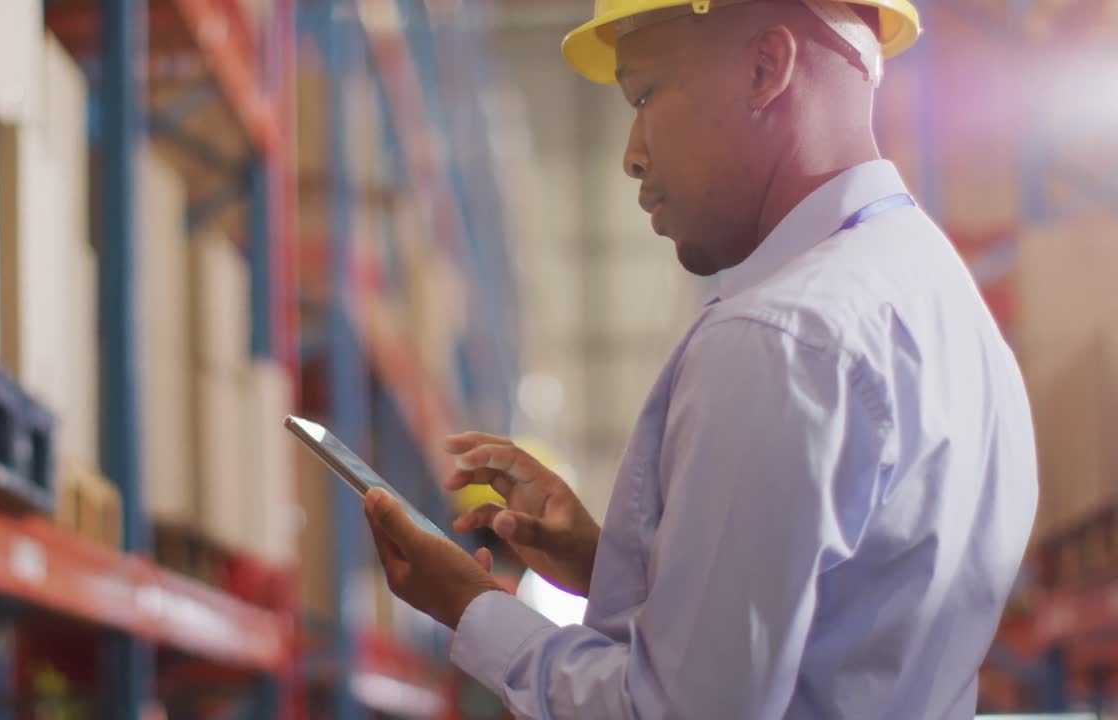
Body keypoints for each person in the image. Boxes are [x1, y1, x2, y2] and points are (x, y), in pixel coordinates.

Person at [361, 0, 1038, 717]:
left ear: (764, 68)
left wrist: (470, 608)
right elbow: (847, 620)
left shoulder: (776, 340)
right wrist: (615, 563)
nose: (632, 153)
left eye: (645, 94)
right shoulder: (941, 299)